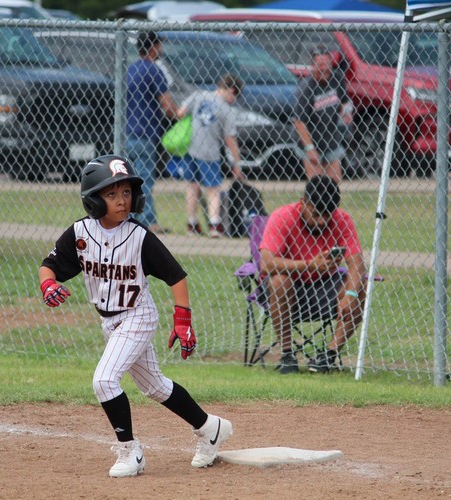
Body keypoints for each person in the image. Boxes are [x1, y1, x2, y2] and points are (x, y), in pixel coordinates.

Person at [38, 154, 233, 477]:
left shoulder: (139, 236)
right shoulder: (80, 233)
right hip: (110, 321)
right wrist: (48, 284)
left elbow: (176, 276)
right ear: (93, 200)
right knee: (155, 386)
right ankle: (210, 427)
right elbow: (49, 266)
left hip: (137, 316)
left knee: (104, 380)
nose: (121, 200)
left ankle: (130, 452)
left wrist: (182, 321)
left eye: (126, 192)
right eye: (111, 194)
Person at [259, 175, 366, 374]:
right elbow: (266, 264)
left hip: (324, 287)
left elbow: (357, 265)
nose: (322, 221)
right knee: (279, 281)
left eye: (327, 216)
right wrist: (310, 265)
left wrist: (350, 295)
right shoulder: (282, 216)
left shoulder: (342, 220)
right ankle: (287, 355)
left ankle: (328, 356)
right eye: (316, 214)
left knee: (360, 286)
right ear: (303, 203)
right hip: (286, 291)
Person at [176, 74, 245, 238]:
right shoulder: (226, 110)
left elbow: (180, 112)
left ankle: (192, 224)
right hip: (209, 152)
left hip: (190, 148)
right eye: (234, 97)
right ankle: (214, 224)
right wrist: (237, 163)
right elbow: (230, 139)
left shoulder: (199, 95)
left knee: (192, 186)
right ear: (232, 91)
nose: (233, 101)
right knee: (214, 189)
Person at [126, 31, 178, 234]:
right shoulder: (154, 70)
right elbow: (166, 103)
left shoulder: (131, 69)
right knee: (145, 179)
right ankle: (148, 221)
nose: (161, 49)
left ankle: (131, 218)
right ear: (154, 47)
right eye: (159, 45)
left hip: (128, 131)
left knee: (130, 180)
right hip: (146, 133)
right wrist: (178, 116)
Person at [293, 46, 354, 185]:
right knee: (316, 186)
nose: (324, 68)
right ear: (312, 66)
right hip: (311, 140)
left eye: (327, 64)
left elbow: (344, 101)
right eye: (320, 65)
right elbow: (299, 122)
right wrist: (310, 149)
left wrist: (346, 112)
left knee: (334, 183)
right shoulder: (306, 88)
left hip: (330, 138)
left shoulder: (336, 78)